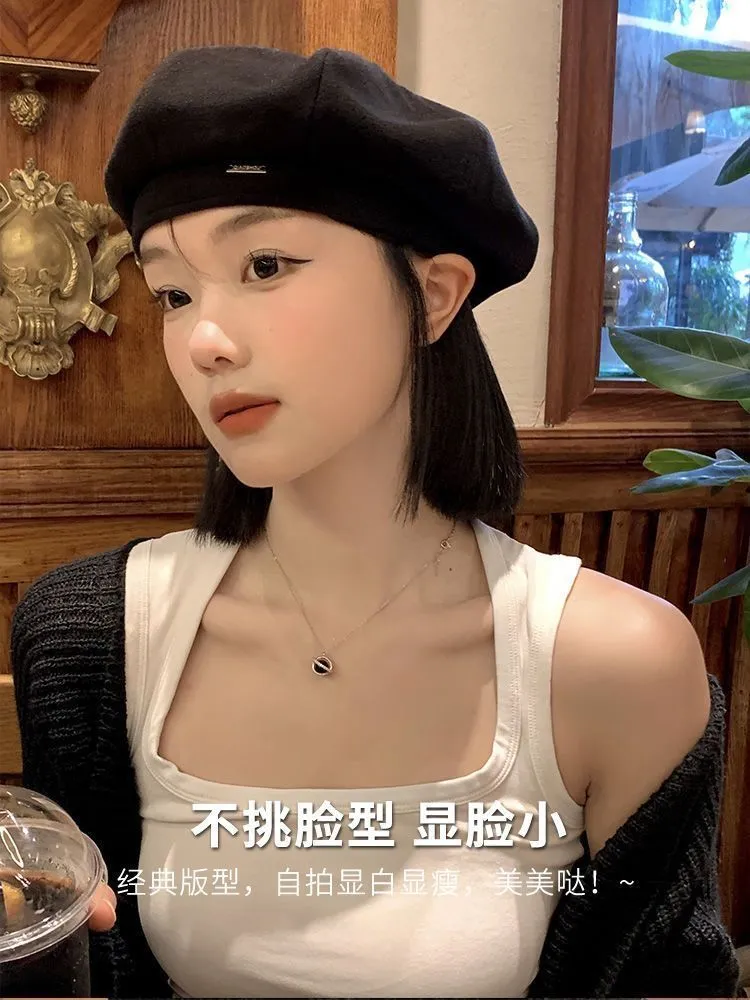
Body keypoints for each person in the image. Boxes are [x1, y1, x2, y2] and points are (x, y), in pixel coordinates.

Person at [10, 44, 741, 1000]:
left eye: (265, 265)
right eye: (174, 295)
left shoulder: (615, 664)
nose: (205, 342)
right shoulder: (91, 638)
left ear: (432, 296)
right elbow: (80, 949)